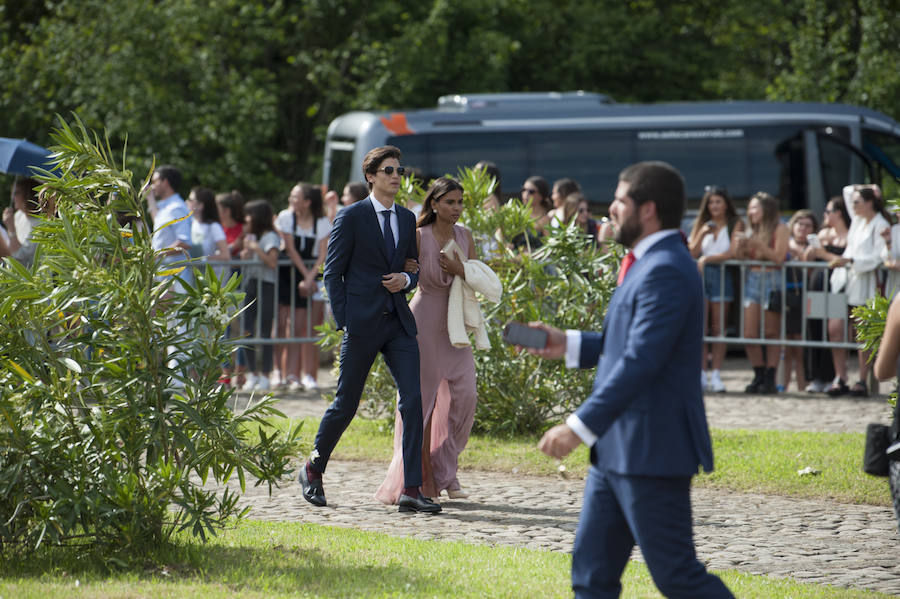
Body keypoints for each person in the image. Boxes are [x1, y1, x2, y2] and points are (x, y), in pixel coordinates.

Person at [530, 161, 734, 598]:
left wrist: (577, 427)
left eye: (621, 200)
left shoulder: (667, 268)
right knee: (591, 576)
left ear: (648, 209)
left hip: (651, 449)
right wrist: (566, 343)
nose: (611, 210)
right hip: (616, 453)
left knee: (678, 577)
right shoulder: (648, 262)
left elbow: (642, 361)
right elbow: (624, 343)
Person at [299, 145, 440, 514]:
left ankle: (411, 488)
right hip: (361, 325)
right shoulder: (350, 217)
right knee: (346, 404)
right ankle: (314, 468)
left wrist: (406, 280)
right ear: (371, 177)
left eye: (400, 170)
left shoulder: (408, 219)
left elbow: (413, 267)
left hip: (397, 322)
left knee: (413, 401)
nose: (397, 176)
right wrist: (345, 319)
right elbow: (333, 272)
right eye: (389, 170)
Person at [375, 177, 500, 504]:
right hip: (424, 321)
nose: (457, 208)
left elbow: (473, 278)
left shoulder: (466, 236)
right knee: (423, 403)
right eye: (450, 202)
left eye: (460, 202)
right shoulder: (418, 235)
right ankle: (422, 477)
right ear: (434, 204)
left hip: (455, 323)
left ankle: (445, 467)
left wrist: (460, 268)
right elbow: (404, 274)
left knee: (465, 397)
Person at [826, 185, 890, 397]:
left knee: (862, 335)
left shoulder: (879, 224)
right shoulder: (858, 222)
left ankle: (862, 379)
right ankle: (840, 376)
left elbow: (878, 257)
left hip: (866, 285)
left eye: (858, 201)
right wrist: (869, 187)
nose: (853, 205)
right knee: (835, 329)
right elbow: (846, 190)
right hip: (845, 282)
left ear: (869, 203)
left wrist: (852, 260)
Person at [275, 183, 331, 391]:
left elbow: (323, 254)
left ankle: (298, 375)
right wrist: (306, 276)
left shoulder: (322, 222)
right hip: (288, 277)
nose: (291, 200)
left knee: (301, 327)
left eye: (295, 196)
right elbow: (290, 249)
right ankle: (281, 373)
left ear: (307, 202)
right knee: (282, 326)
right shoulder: (286, 217)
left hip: (310, 278)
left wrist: (309, 278)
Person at [687, 185, 743, 393]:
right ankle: (701, 373)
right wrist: (702, 233)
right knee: (701, 327)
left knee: (719, 327)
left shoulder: (735, 224)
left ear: (726, 203)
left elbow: (733, 252)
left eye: (718, 201)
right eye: (711, 202)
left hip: (722, 275)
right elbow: (691, 251)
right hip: (701, 277)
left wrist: (709, 258)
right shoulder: (702, 224)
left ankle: (716, 373)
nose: (714, 206)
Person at [733, 191, 790, 394]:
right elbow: (742, 258)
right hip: (753, 279)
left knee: (772, 332)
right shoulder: (750, 230)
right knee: (749, 332)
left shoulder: (780, 228)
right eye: (750, 208)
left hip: (773, 279)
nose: (750, 212)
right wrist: (740, 247)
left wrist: (759, 245)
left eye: (754, 207)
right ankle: (758, 373)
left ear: (766, 209)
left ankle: (770, 376)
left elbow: (779, 258)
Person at [802, 196, 850, 393]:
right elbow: (807, 260)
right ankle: (816, 376)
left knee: (834, 331)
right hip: (818, 284)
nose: (825, 215)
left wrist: (822, 254)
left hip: (838, 286)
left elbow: (845, 260)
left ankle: (834, 375)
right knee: (815, 328)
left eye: (828, 211)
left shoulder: (851, 235)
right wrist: (811, 251)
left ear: (838, 213)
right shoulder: (823, 234)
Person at [237, 199, 281, 391]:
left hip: (267, 285)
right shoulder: (252, 237)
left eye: (249, 215)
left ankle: (265, 374)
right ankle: (252, 373)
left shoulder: (271, 236)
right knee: (246, 329)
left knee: (264, 330)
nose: (246, 219)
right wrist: (246, 253)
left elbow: (272, 262)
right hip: (251, 284)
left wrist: (255, 249)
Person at [781, 209, 818, 391]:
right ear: (793, 225)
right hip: (786, 298)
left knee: (801, 347)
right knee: (786, 347)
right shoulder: (785, 244)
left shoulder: (815, 247)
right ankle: (783, 385)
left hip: (807, 298)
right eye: (800, 224)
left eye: (808, 225)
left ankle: (803, 386)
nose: (803, 228)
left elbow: (812, 274)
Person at [147, 165, 192, 290]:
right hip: (165, 276)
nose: (151, 186)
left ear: (165, 182)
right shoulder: (166, 206)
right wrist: (150, 199)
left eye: (154, 181)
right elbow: (159, 223)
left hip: (176, 279)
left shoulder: (177, 207)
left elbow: (184, 242)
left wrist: (155, 255)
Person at [186, 187, 230, 281]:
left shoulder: (214, 226)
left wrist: (202, 261)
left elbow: (225, 255)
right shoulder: (190, 223)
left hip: (208, 279)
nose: (187, 202)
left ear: (200, 205)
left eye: (191, 200)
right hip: (191, 277)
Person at [2, 177, 43, 268]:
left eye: (16, 193)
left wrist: (11, 228)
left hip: (32, 278)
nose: (12, 197)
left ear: (28, 194)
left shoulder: (39, 224)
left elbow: (19, 255)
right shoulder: (18, 215)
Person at [512, 175, 552, 251]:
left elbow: (548, 246)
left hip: (534, 260)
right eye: (524, 190)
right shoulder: (517, 213)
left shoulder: (545, 219)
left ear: (541, 196)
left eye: (531, 191)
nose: (526, 194)